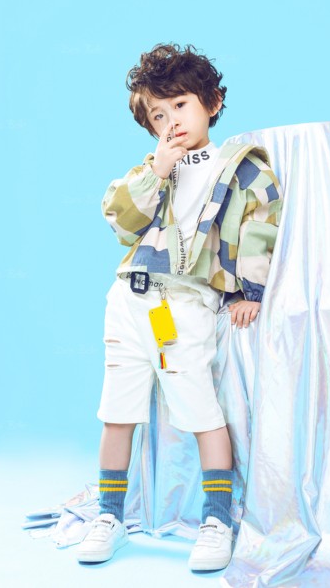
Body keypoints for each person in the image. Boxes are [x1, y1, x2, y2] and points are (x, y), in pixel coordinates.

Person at [75, 43, 283, 571]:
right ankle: (109, 516)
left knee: (200, 409)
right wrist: (156, 171)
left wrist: (248, 290)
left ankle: (217, 520)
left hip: (185, 303)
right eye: (158, 116)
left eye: (181, 106)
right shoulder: (151, 169)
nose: (171, 122)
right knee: (116, 412)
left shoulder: (241, 169)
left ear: (212, 103)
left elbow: (261, 225)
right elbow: (121, 222)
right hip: (129, 298)